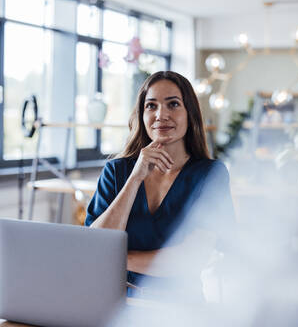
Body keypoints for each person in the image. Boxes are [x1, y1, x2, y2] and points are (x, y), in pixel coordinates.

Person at [85, 71, 234, 300]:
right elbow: (94, 246)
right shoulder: (116, 172)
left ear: (190, 114)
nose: (161, 115)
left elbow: (191, 259)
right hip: (116, 304)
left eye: (173, 104)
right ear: (142, 114)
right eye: (151, 106)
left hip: (180, 308)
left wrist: (117, 258)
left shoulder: (211, 175)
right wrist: (134, 179)